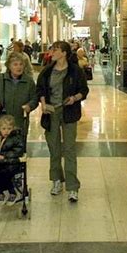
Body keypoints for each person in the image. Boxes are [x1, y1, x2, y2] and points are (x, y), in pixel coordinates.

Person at [36, 40, 89, 203]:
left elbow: (84, 90)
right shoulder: (47, 71)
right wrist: (44, 104)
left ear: (64, 53)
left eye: (56, 49)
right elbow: (41, 89)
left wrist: (74, 98)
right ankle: (56, 180)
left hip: (69, 112)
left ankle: (72, 186)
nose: (52, 51)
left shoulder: (75, 71)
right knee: (54, 148)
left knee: (69, 149)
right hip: (51, 111)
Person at [0, 54, 38, 132]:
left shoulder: (29, 81)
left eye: (21, 64)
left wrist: (30, 106)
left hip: (20, 121)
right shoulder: (0, 79)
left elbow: (35, 97)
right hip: (3, 122)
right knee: (3, 143)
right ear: (9, 66)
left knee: (19, 143)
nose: (19, 67)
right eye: (15, 64)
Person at [0, 115, 25, 204]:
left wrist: (4, 156)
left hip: (12, 162)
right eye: (4, 128)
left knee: (6, 172)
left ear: (13, 128)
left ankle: (12, 192)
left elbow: (18, 150)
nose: (6, 131)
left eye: (9, 128)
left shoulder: (16, 138)